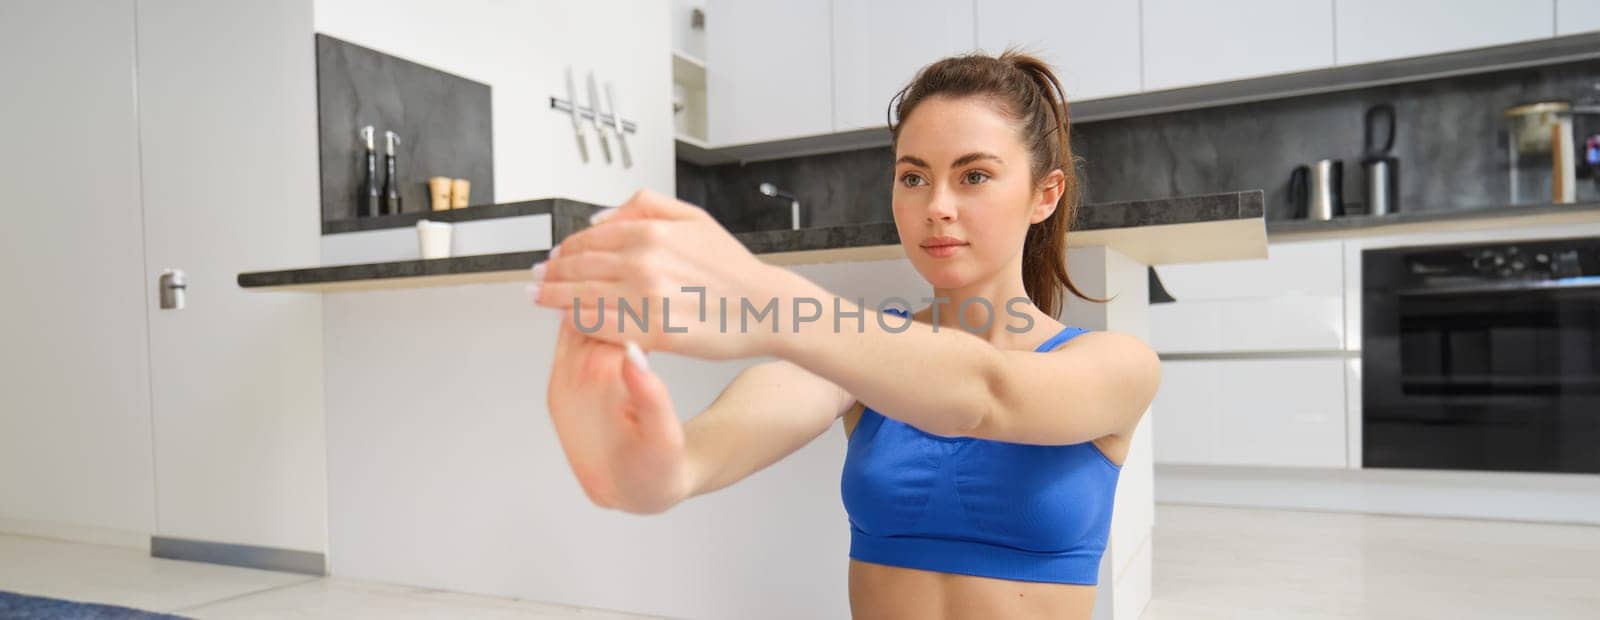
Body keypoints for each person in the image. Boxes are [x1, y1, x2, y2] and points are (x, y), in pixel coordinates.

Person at [526, 50, 1161, 620]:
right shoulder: (863, 360)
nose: (937, 204)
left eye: (974, 175)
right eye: (913, 176)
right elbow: (765, 401)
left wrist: (769, 301)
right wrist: (667, 470)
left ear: (1044, 195)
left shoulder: (1114, 363)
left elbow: (987, 393)